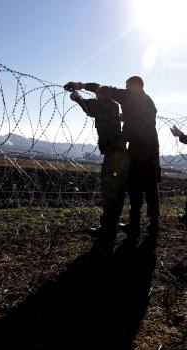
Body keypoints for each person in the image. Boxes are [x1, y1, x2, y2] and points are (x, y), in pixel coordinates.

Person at [64, 76, 160, 238]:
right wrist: (124, 118)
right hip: (149, 146)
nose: (125, 89)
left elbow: (104, 91)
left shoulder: (131, 96)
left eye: (127, 86)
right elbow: (138, 119)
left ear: (134, 86)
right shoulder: (148, 101)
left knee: (131, 186)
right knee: (147, 185)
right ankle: (149, 224)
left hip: (137, 148)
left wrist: (80, 86)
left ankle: (125, 225)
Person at [69, 87, 128, 245]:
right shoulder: (113, 106)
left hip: (114, 154)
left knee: (110, 190)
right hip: (118, 153)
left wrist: (77, 97)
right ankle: (111, 226)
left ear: (103, 95)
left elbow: (90, 109)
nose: (96, 97)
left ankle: (107, 229)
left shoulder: (106, 105)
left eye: (97, 95)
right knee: (116, 191)